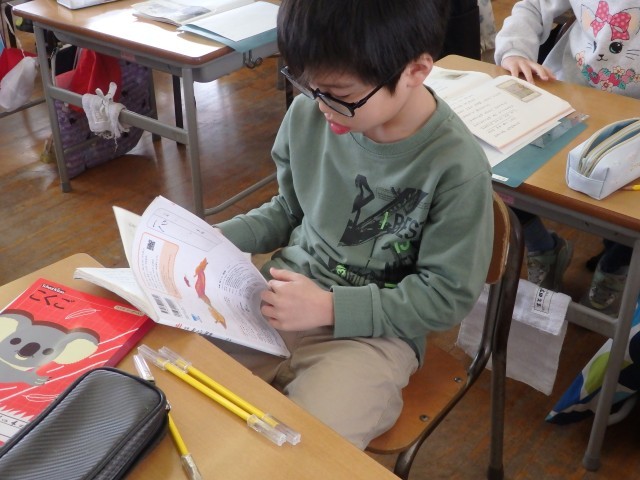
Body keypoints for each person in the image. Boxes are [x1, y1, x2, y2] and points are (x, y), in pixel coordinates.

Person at [211, 0, 494, 449]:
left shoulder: (456, 166)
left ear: (416, 70)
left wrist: (330, 308)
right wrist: (215, 238)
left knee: (308, 449)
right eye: (309, 86)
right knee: (181, 384)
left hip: (374, 335)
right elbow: (290, 210)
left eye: (339, 94)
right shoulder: (310, 113)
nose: (321, 105)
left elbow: (445, 297)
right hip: (280, 298)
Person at [494, 0, 639, 315]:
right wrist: (515, 50)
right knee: (499, 172)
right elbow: (533, 7)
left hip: (633, 121)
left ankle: (616, 265)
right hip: (564, 97)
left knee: (628, 211)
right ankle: (542, 247)